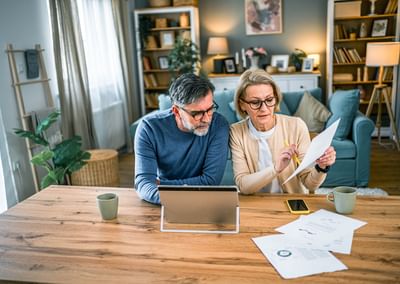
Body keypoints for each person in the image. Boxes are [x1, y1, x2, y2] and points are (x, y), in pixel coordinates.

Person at [230, 69, 336, 194]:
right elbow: (243, 185)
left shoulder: (297, 126)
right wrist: (276, 168)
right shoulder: (236, 132)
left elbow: (310, 185)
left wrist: (322, 167)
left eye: (269, 100)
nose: (264, 109)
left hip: (292, 202)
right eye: (255, 102)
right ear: (242, 104)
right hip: (256, 203)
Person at [134, 73, 230, 204]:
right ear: (176, 111)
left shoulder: (219, 125)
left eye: (210, 109)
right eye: (196, 113)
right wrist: (176, 197)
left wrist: (162, 185)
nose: (207, 119)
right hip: (163, 205)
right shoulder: (148, 128)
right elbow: (143, 184)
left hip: (203, 201)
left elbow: (210, 181)